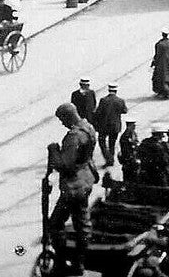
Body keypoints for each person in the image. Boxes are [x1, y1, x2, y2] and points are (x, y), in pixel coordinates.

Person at [47, 102, 98, 275]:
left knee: (55, 224)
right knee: (82, 222)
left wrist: (54, 150)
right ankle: (80, 263)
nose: (62, 124)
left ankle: (61, 263)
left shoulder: (73, 136)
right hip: (86, 180)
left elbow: (65, 165)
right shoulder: (88, 127)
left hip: (73, 186)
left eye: (62, 120)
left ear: (68, 116)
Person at [93, 84, 127, 167]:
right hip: (115, 126)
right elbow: (125, 110)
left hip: (104, 126)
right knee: (112, 144)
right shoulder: (120, 100)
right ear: (116, 91)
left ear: (108, 90)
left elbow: (98, 112)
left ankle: (108, 158)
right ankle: (111, 158)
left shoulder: (103, 100)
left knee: (102, 142)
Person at [152, 31, 169, 98]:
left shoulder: (159, 44)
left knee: (162, 77)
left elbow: (157, 54)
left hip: (162, 62)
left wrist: (154, 62)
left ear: (162, 35)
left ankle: (164, 92)